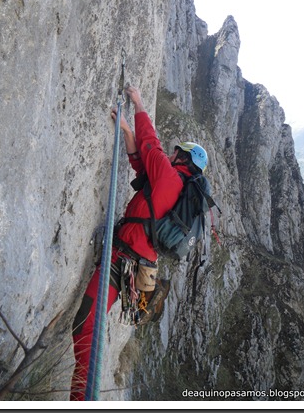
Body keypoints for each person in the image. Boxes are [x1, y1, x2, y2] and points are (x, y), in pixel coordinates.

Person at [70, 85, 208, 401]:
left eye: (177, 152)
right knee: (86, 327)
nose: (171, 154)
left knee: (85, 328)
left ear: (183, 158)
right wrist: (125, 130)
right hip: (139, 268)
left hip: (121, 262)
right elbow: (140, 164)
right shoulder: (173, 186)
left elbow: (150, 145)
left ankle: (81, 399)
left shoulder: (170, 176)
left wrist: (139, 103)